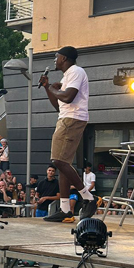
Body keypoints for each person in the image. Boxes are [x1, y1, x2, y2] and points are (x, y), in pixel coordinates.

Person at [39, 46, 96, 222]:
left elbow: (68, 97)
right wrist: (48, 88)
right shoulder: (66, 76)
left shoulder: (76, 71)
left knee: (58, 161)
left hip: (72, 119)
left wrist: (52, 88)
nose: (54, 60)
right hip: (65, 117)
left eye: (56, 57)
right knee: (63, 163)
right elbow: (58, 105)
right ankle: (65, 210)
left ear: (64, 58)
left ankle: (88, 197)